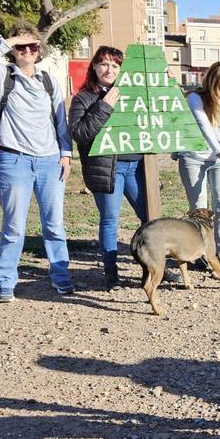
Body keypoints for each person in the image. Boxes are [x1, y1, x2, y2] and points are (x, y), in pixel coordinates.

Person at [0, 22, 74, 302]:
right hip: (14, 162)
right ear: (13, 50)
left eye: (33, 46)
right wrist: (15, 38)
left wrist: (66, 154)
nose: (27, 51)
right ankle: (5, 282)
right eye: (21, 47)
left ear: (40, 50)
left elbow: (60, 121)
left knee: (54, 225)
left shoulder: (49, 81)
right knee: (14, 227)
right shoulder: (2, 77)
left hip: (50, 162)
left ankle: (61, 277)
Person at [68, 46, 149, 290]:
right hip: (107, 169)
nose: (109, 70)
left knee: (150, 217)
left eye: (115, 65)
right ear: (94, 66)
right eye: (104, 64)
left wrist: (163, 84)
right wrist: (104, 106)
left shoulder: (133, 94)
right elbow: (80, 133)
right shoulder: (83, 99)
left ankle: (152, 269)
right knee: (110, 219)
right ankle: (111, 273)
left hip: (136, 165)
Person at [176, 61, 220, 275]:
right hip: (193, 157)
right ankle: (200, 253)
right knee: (200, 207)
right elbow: (206, 130)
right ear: (211, 84)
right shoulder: (195, 98)